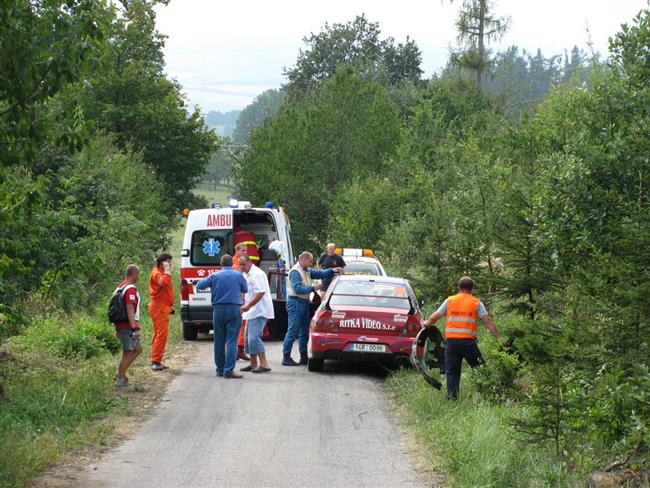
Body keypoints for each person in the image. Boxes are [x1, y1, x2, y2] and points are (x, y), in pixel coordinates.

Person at [422, 276, 504, 400]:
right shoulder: (476, 302)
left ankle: (452, 397)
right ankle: (489, 393)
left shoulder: (450, 301)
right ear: (471, 289)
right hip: (468, 342)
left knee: (452, 370)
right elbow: (487, 321)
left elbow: (435, 316)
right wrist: (499, 337)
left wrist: (426, 323)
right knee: (479, 367)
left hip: (451, 342)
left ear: (459, 288)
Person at [283, 251, 342, 366]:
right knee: (293, 330)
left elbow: (319, 273)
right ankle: (286, 357)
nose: (311, 264)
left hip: (304, 302)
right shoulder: (295, 272)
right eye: (310, 261)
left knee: (304, 331)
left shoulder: (307, 269)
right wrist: (314, 288)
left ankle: (303, 357)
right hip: (295, 302)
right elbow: (298, 289)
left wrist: (331, 270)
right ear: (304, 260)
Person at [196, 254, 248, 379]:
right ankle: (229, 370)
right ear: (232, 263)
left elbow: (199, 285)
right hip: (234, 309)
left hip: (218, 310)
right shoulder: (238, 275)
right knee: (231, 341)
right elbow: (245, 289)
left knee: (219, 341)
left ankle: (220, 369)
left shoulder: (215, 275)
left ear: (221, 264)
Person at [238, 255, 274, 373]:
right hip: (252, 310)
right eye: (240, 264)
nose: (241, 267)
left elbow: (260, 292)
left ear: (250, 262)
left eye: (243, 264)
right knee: (248, 338)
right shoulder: (246, 273)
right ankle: (253, 363)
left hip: (259, 310)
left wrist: (248, 305)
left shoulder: (257, 274)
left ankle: (265, 364)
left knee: (254, 338)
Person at [114, 265, 143, 387]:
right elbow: (129, 307)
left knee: (138, 349)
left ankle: (121, 373)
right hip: (127, 325)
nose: (138, 277)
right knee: (128, 351)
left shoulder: (120, 287)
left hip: (122, 324)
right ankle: (120, 379)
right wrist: (133, 328)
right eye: (138, 274)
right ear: (133, 274)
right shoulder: (130, 288)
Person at [148, 252, 174, 371]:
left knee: (158, 334)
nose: (170, 264)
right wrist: (167, 271)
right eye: (168, 262)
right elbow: (163, 282)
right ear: (162, 263)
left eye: (170, 262)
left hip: (162, 306)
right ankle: (155, 361)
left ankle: (156, 359)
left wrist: (169, 306)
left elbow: (165, 291)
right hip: (158, 307)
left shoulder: (162, 273)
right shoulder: (157, 274)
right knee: (161, 335)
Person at [232, 242, 251, 361]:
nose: (246, 252)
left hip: (241, 297)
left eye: (246, 250)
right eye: (243, 251)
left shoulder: (239, 263)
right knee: (235, 325)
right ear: (237, 251)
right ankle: (234, 351)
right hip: (237, 299)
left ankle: (239, 349)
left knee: (242, 324)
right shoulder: (236, 265)